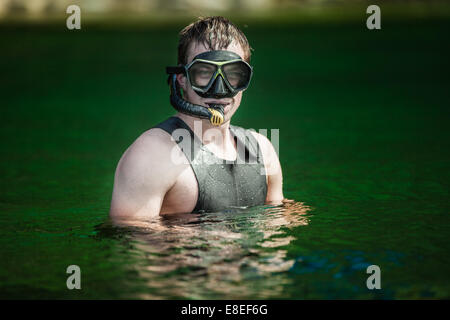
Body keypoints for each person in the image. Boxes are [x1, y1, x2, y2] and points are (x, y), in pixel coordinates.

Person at [110, 16, 285, 221]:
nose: (220, 89)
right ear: (182, 79)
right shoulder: (151, 154)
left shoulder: (263, 150)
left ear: (245, 79)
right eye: (203, 72)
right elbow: (130, 237)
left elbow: (277, 224)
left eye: (233, 74)